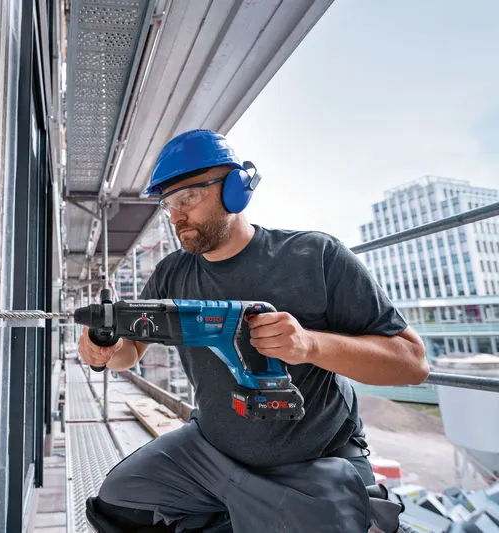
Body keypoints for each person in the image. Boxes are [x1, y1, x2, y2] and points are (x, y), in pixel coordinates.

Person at [78, 129, 429, 532]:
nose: (176, 216)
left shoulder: (315, 256)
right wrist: (106, 347)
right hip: (209, 451)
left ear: (235, 189)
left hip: (312, 458)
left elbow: (412, 365)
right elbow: (132, 350)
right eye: (169, 204)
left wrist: (311, 345)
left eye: (188, 198)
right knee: (119, 503)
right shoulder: (172, 273)